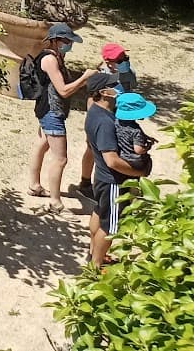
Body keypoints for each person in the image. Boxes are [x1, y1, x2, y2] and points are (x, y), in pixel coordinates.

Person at [27, 23, 93, 213]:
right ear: (54, 41)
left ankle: (34, 185)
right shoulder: (50, 60)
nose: (69, 44)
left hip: (48, 110)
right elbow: (63, 90)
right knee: (61, 159)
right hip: (51, 113)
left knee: (42, 144)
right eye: (66, 40)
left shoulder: (57, 56)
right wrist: (84, 78)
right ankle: (56, 203)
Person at [84, 73, 148, 267]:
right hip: (112, 180)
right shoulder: (105, 123)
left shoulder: (94, 111)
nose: (119, 87)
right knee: (110, 225)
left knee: (99, 211)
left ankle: (93, 252)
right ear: (104, 92)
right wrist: (139, 172)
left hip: (101, 178)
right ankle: (96, 266)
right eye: (115, 85)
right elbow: (111, 160)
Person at [79, 42, 141, 198]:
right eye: (118, 60)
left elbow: (129, 89)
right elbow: (92, 100)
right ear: (107, 61)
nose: (123, 62)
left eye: (124, 58)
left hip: (121, 116)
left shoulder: (128, 71)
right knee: (93, 150)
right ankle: (86, 182)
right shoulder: (100, 76)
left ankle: (126, 183)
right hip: (105, 116)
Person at [113, 92, 157, 176]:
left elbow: (129, 136)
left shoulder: (117, 122)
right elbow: (138, 150)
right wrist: (148, 147)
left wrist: (146, 137)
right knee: (148, 161)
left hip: (121, 156)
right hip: (133, 161)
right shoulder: (136, 131)